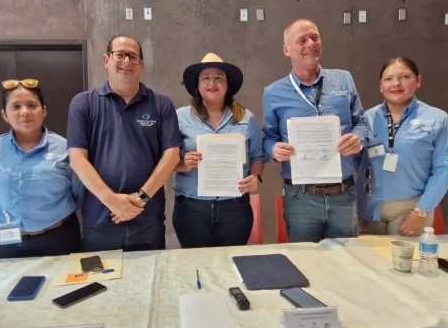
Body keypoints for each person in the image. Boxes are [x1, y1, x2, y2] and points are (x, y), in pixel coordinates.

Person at [67, 34, 181, 252]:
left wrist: (140, 199)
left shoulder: (161, 104)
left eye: (133, 56)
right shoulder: (84, 103)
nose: (127, 61)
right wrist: (111, 200)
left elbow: (171, 155)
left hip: (148, 220)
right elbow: (77, 158)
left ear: (141, 64)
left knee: (151, 282)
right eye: (120, 55)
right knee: (102, 283)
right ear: (106, 60)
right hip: (100, 220)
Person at [262, 19, 367, 243]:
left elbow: (362, 122)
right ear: (286, 50)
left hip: (343, 194)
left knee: (345, 264)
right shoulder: (273, 93)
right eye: (302, 40)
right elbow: (268, 138)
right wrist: (273, 149)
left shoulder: (343, 79)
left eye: (315, 38)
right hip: (301, 197)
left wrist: (358, 138)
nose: (311, 43)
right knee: (304, 263)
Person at [0, 79, 82, 258]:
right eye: (16, 107)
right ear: (4, 115)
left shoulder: (66, 149)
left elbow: (78, 192)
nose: (25, 112)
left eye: (32, 105)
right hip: (4, 242)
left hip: (58, 239)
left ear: (44, 111)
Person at [356, 57, 448, 236]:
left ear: (418, 80)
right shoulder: (366, 119)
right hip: (369, 211)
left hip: (410, 210)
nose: (396, 83)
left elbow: (444, 170)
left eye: (404, 77)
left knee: (404, 262)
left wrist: (421, 211)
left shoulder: (438, 120)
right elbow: (355, 162)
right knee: (369, 262)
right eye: (388, 79)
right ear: (380, 85)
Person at [173, 53, 265, 248]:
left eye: (218, 77)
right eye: (205, 77)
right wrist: (182, 165)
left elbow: (257, 156)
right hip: (191, 208)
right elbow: (165, 159)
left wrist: (255, 177)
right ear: (197, 85)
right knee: (195, 264)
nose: (212, 83)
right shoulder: (180, 117)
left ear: (227, 84)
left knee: (231, 265)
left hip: (235, 208)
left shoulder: (246, 118)